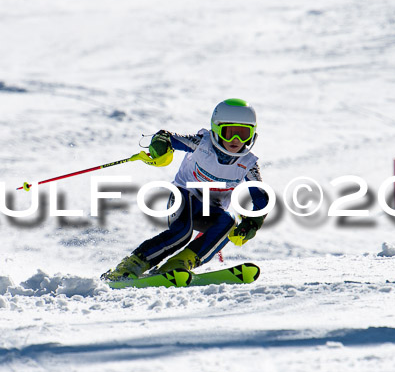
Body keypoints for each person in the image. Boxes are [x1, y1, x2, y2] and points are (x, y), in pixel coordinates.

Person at [101, 98, 269, 281]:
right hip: (183, 197)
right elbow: (167, 137)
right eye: (229, 133)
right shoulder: (202, 144)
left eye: (243, 134)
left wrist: (252, 222)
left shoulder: (248, 164)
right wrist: (160, 145)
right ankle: (132, 265)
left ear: (253, 134)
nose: (236, 140)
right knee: (182, 232)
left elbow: (261, 198)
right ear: (216, 130)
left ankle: (178, 263)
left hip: (210, 212)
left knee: (228, 223)